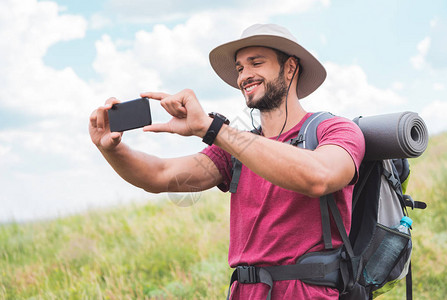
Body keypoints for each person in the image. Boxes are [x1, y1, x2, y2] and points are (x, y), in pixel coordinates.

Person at [89, 24, 365, 299]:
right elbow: (160, 175)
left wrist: (212, 129)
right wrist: (112, 150)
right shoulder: (233, 149)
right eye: (240, 68)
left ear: (290, 67)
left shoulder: (334, 130)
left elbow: (319, 176)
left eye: (256, 63)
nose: (245, 75)